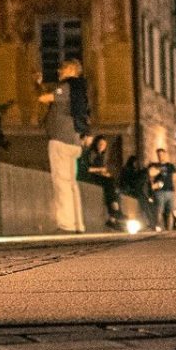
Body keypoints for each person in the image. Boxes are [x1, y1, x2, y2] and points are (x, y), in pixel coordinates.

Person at [38, 59, 90, 233]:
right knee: (71, 183)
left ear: (71, 69)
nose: (59, 71)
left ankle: (66, 224)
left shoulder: (66, 86)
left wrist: (38, 86)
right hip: (74, 140)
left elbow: (44, 98)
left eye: (62, 68)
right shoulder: (80, 89)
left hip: (61, 139)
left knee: (61, 182)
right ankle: (78, 224)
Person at [84, 135, 122, 229]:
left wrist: (104, 173)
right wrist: (100, 170)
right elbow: (87, 169)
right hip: (91, 177)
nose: (102, 146)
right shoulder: (92, 154)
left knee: (114, 185)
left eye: (104, 144)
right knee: (110, 183)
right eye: (100, 144)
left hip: (100, 177)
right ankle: (115, 211)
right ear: (96, 144)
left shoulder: (101, 156)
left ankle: (114, 215)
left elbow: (101, 170)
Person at [147, 147, 176, 231]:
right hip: (159, 191)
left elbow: (175, 178)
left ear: (165, 155)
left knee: (170, 211)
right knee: (159, 209)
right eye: (159, 155)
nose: (161, 156)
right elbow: (150, 174)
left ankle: (169, 229)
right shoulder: (153, 165)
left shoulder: (170, 166)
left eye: (162, 154)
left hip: (169, 190)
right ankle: (157, 226)